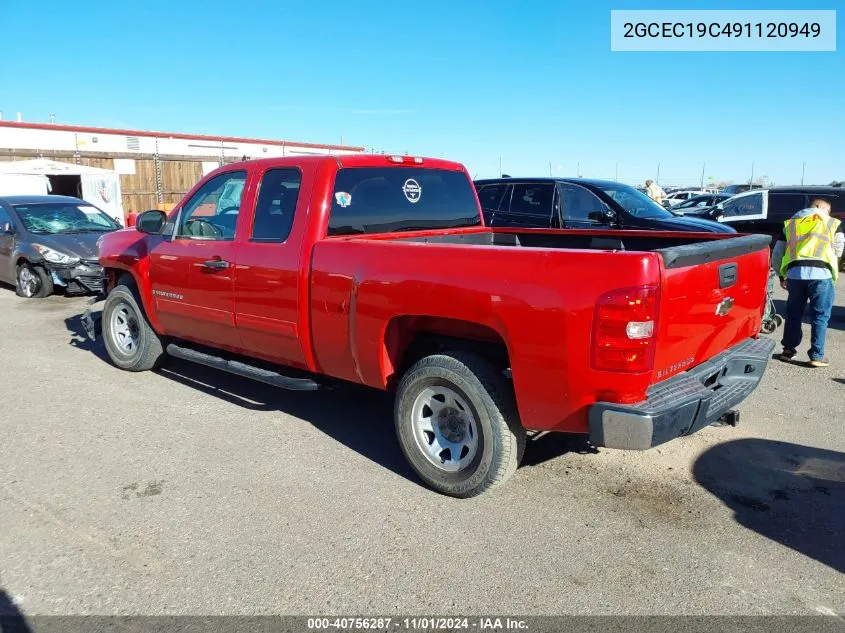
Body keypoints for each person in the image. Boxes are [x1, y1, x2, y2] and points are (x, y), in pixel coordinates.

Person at [772, 198, 844, 367]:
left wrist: (781, 276)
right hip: (822, 275)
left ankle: (788, 351)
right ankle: (816, 356)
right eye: (828, 210)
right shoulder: (833, 223)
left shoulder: (790, 224)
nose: (828, 213)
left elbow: (777, 253)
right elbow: (839, 248)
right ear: (819, 207)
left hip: (795, 275)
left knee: (794, 314)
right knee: (820, 316)